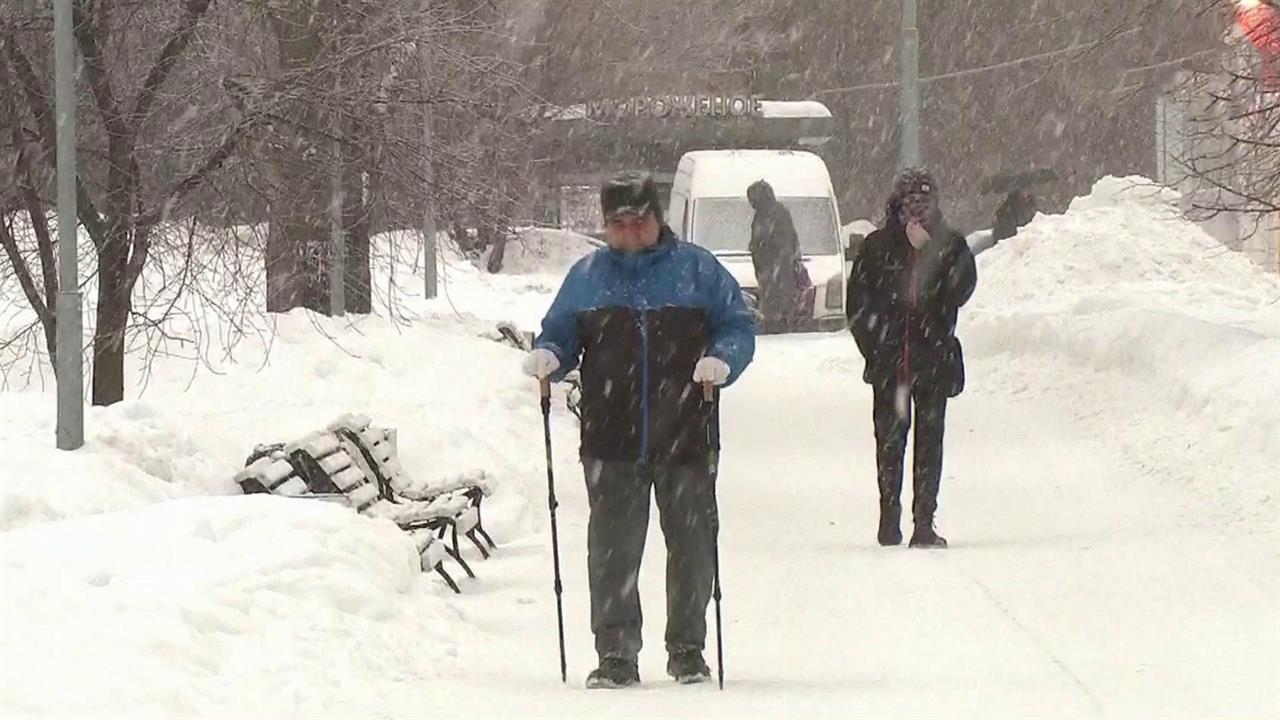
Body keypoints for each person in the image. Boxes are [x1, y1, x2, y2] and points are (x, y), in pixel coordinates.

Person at [521, 171, 756, 689]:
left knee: (692, 546)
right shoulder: (586, 277)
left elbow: (737, 325)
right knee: (611, 553)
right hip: (611, 438)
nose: (630, 232)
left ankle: (688, 650)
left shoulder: (696, 270)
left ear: (657, 219)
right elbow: (560, 333)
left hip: (686, 433)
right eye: (618, 224)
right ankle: (616, 655)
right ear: (606, 226)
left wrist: (723, 359)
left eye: (639, 221)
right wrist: (550, 355)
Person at [845, 168, 976, 549]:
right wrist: (875, 345)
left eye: (924, 201)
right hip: (890, 364)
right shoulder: (877, 246)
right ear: (897, 205)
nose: (917, 210)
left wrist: (931, 250)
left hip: (933, 361)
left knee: (929, 441)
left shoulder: (949, 243)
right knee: (889, 440)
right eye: (910, 202)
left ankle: (923, 521)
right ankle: (889, 517)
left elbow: (961, 289)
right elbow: (857, 304)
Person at [747, 179, 808, 333]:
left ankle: (778, 324)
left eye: (753, 200)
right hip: (769, 274)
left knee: (778, 312)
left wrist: (773, 267)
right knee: (772, 311)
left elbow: (786, 247)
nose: (752, 205)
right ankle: (774, 323)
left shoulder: (778, 216)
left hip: (779, 276)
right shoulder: (761, 217)